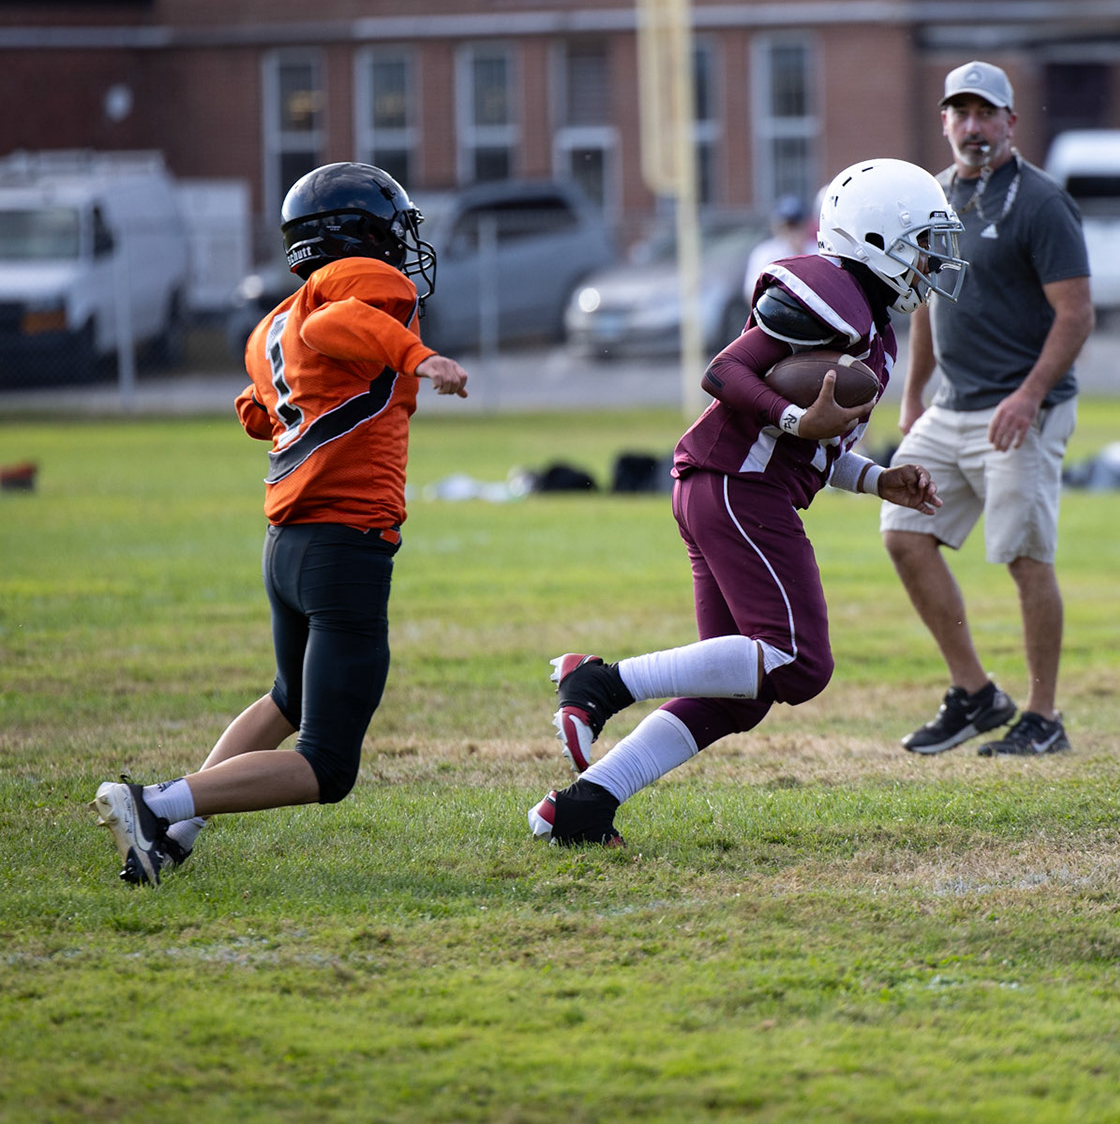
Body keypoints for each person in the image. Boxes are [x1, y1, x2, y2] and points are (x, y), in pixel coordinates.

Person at [528, 158, 956, 845]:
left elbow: (812, 451)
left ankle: (582, 807)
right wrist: (792, 421)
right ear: (877, 236)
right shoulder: (830, 290)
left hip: (731, 488)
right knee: (797, 662)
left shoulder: (870, 324)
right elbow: (723, 371)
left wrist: (879, 478)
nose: (933, 262)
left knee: (742, 695)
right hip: (736, 488)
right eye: (924, 242)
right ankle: (600, 682)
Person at [89, 162, 471, 884]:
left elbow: (257, 409)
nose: (400, 245)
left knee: (287, 698)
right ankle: (155, 804)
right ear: (357, 234)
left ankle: (170, 831)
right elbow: (341, 323)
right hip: (342, 542)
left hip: (288, 545)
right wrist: (420, 357)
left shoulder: (274, 321)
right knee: (326, 765)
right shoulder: (360, 292)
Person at [885, 60, 1095, 757]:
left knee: (1024, 556)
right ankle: (976, 694)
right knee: (903, 532)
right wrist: (913, 395)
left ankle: (1044, 716)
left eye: (986, 114)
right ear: (944, 121)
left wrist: (1029, 394)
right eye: (960, 113)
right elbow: (925, 310)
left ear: (1010, 121)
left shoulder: (1040, 201)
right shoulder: (938, 199)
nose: (972, 127)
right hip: (952, 405)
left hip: (1021, 409)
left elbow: (1076, 314)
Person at [741, 192, 815, 305]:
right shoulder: (765, 253)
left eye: (796, 225)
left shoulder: (816, 251)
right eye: (788, 226)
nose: (792, 232)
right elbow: (752, 292)